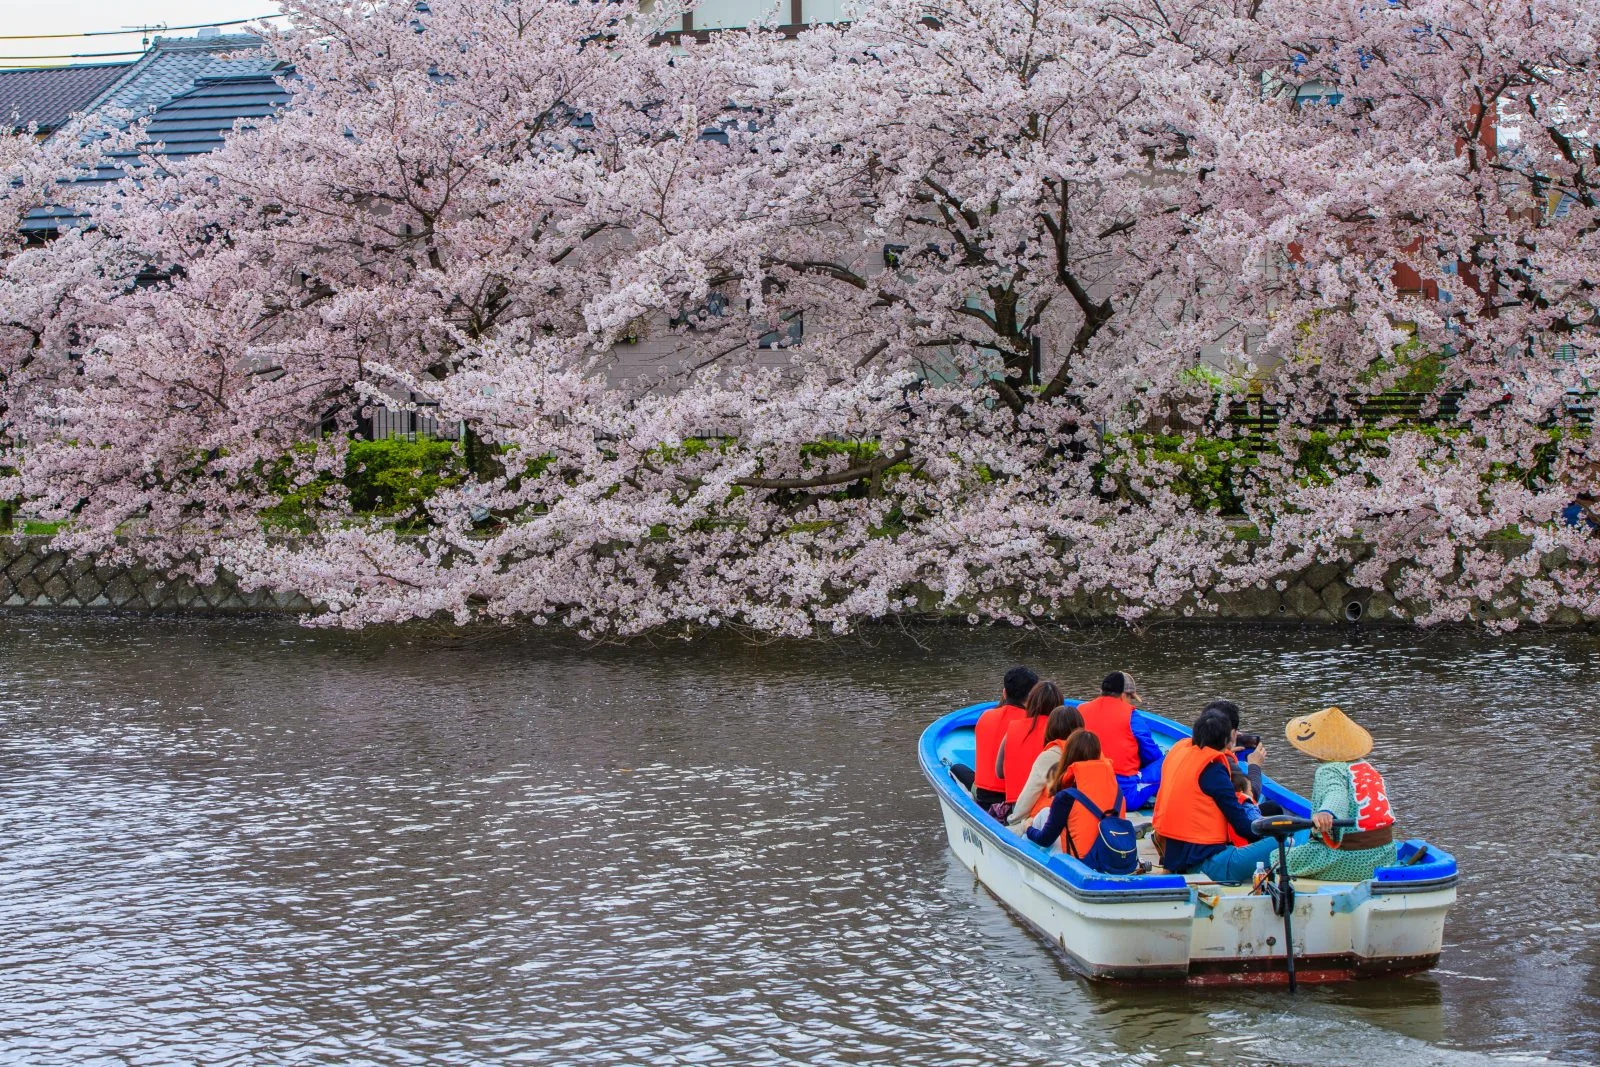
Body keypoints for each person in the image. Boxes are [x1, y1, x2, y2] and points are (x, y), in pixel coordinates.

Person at [1150, 709, 1277, 882]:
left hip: (1175, 859)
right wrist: (1275, 831)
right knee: (1286, 841)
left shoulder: (1179, 752)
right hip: (1208, 865)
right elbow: (1244, 828)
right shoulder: (1214, 770)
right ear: (1227, 740)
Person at [1281, 706, 1399, 881]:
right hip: (1386, 856)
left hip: (1350, 860)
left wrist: (1327, 812)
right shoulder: (1367, 767)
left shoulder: (1328, 770)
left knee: (1277, 858)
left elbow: (1336, 795)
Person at [1026, 730, 1125, 860]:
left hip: (1083, 863)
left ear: (1068, 755)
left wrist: (1028, 828)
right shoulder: (1117, 792)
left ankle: (1020, 864)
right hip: (1114, 858)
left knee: (1040, 820)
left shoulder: (1066, 797)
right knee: (1045, 813)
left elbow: (1045, 839)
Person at [951, 666, 1038, 809]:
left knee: (956, 768)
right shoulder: (1033, 723)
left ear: (1004, 693)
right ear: (1033, 696)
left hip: (985, 797)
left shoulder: (985, 717)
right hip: (1017, 800)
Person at [1074, 671, 1163, 808]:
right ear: (1123, 695)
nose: (1130, 703)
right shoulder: (1132, 716)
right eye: (1130, 698)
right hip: (1123, 796)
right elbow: (1151, 755)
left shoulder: (1080, 710)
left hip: (1084, 788)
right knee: (1167, 762)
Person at [1006, 704, 1085, 831]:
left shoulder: (1049, 756)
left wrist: (1013, 819)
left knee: (1007, 830)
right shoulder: (1091, 752)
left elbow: (1030, 794)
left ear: (1051, 729)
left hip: (1048, 822)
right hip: (1081, 819)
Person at [997, 680, 1064, 805]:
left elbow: (1000, 772)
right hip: (1050, 806)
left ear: (1031, 702)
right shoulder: (1063, 732)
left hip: (1016, 804)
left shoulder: (1012, 729)